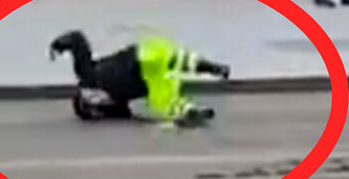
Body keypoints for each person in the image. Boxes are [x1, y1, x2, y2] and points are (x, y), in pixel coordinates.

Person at [49, 30, 231, 127]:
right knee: (163, 94)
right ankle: (190, 111)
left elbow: (77, 39)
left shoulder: (89, 77)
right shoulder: (116, 103)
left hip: (134, 60)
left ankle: (209, 68)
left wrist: (59, 45)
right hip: (142, 77)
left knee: (172, 59)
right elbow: (123, 113)